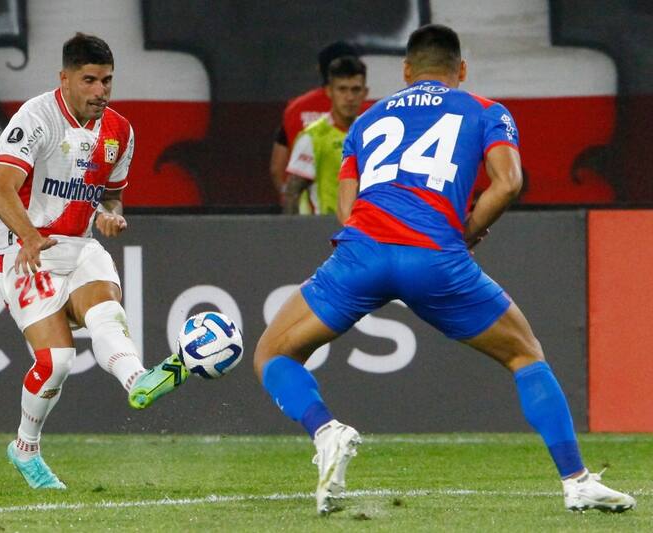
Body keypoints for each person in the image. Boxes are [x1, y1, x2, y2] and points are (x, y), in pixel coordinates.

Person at [254, 24, 636, 515]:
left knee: (272, 353)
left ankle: (326, 430)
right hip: (435, 257)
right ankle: (576, 480)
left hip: (362, 255)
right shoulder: (485, 111)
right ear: (462, 70)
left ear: (406, 71)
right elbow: (508, 182)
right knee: (525, 354)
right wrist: (469, 229)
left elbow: (347, 212)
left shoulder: (365, 122)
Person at [0, 33, 188, 490]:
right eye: (90, 80)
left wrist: (110, 215)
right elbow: (0, 191)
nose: (101, 91)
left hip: (77, 243)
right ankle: (25, 449)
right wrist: (30, 235)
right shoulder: (35, 118)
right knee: (57, 361)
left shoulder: (119, 132)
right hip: (19, 247)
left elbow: (111, 196)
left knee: (105, 310)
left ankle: (138, 380)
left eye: (107, 80)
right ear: (65, 78)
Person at [270, 41, 360, 207]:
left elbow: (277, 168)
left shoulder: (295, 109)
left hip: (309, 217)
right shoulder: (366, 112)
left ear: (320, 69)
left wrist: (291, 206)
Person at [283, 56, 368, 218]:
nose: (349, 97)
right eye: (342, 89)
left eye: (355, 90)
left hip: (366, 229)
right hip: (326, 229)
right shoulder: (313, 137)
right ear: (329, 91)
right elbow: (292, 191)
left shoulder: (373, 133)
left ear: (365, 92)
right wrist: (291, 231)